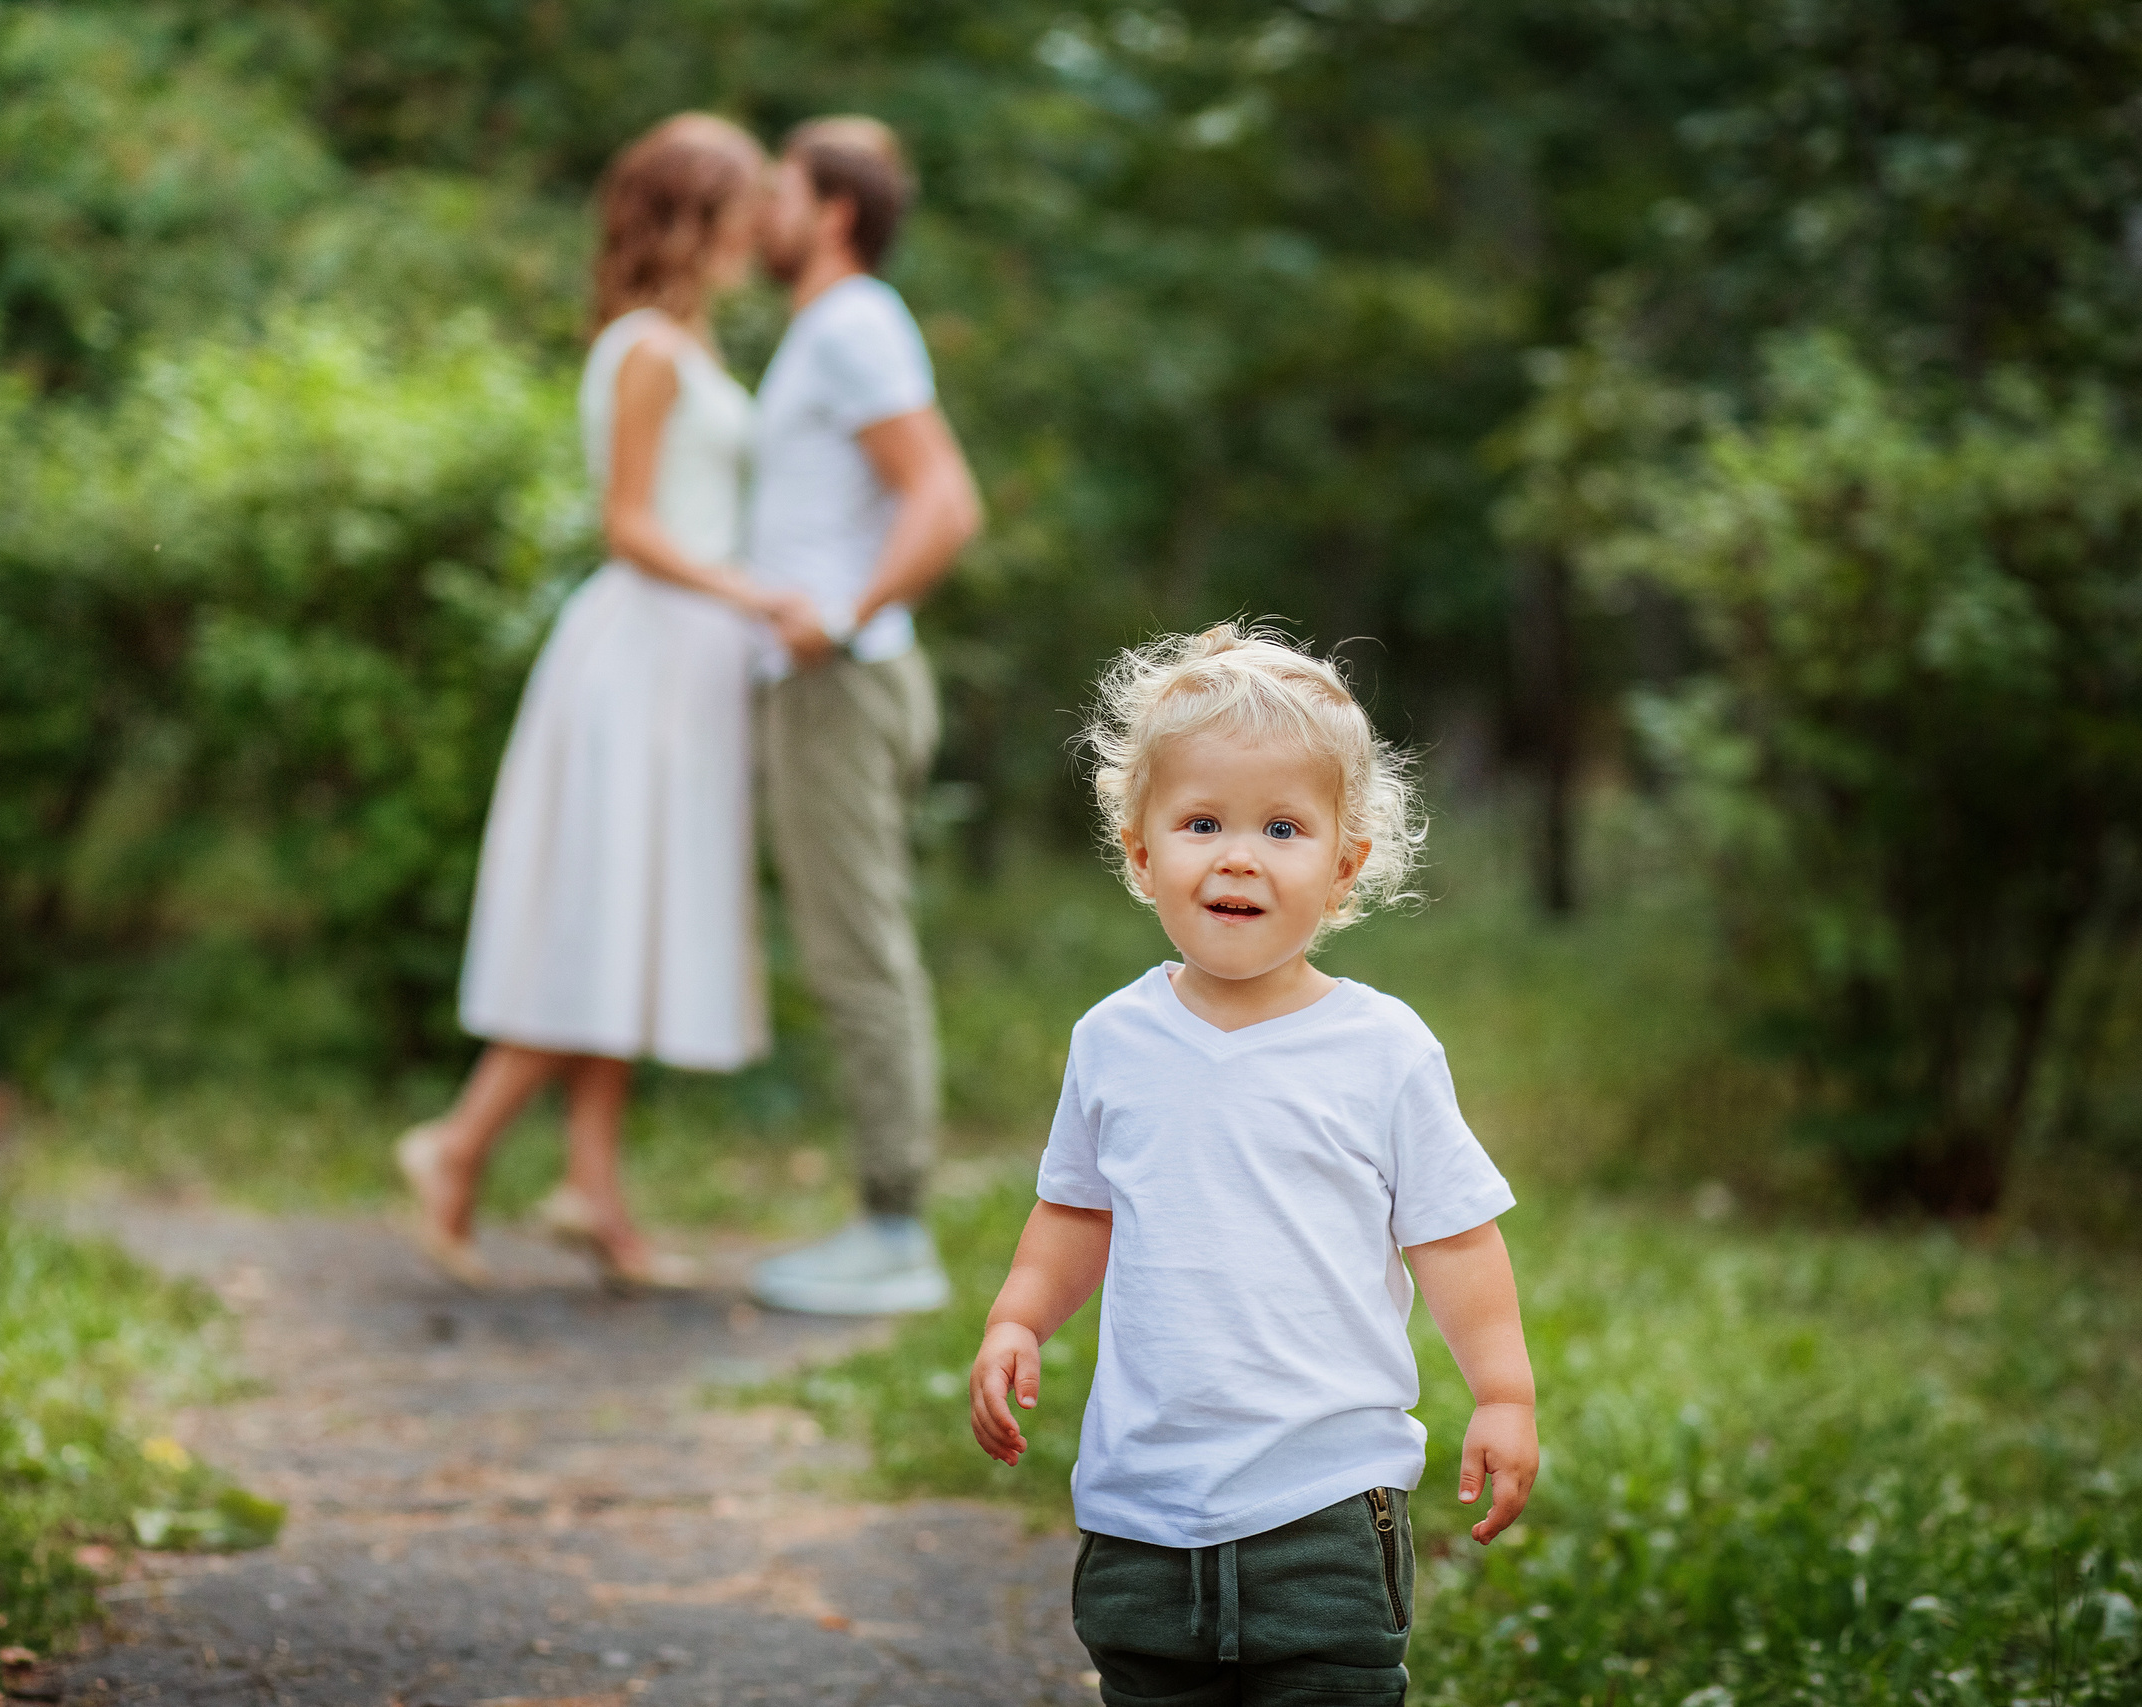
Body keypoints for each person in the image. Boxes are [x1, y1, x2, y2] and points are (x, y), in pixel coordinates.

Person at [969, 625, 1541, 1705]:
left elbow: (1452, 1233)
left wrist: (1502, 1393)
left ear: (1341, 866)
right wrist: (1015, 1319)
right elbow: (1074, 1211)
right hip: (1142, 1503)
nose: (1237, 854)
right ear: (1141, 853)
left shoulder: (1381, 1050)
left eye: (1282, 826)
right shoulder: (1112, 1041)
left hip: (1324, 1505)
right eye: (1201, 823)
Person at [395, 114, 809, 1293]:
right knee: (602, 912)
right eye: (739, 210)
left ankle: (591, 1190)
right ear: (697, 217)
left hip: (688, 657)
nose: (754, 231)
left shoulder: (683, 342)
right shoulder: (644, 349)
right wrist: (751, 592)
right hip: (644, 654)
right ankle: (458, 1143)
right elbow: (628, 524)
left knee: (630, 916)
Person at [742, 117, 984, 1316]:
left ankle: (895, 1233)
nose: (756, 211)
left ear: (832, 209)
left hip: (843, 681)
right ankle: (884, 1222)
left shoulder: (852, 322)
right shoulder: (822, 331)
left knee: (859, 951)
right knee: (847, 947)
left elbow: (943, 499)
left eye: (777, 187)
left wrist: (839, 617)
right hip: (822, 683)